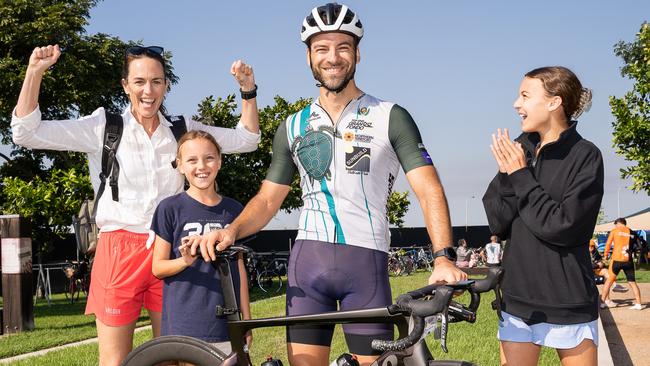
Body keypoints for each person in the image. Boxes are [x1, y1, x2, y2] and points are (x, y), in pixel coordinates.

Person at [191, 3, 466, 365]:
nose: (332, 57)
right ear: (308, 56)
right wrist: (233, 230)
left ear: (357, 53)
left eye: (342, 47)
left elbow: (428, 189)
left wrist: (443, 258)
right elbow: (268, 200)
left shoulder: (390, 116)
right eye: (322, 48)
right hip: (308, 267)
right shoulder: (292, 125)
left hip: (365, 265)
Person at [11, 44, 260, 366]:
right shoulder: (103, 126)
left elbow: (247, 139)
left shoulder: (182, 130)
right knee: (114, 360)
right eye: (139, 81)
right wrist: (35, 72)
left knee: (172, 356)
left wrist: (248, 91)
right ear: (125, 85)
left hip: (170, 250)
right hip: (118, 248)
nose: (148, 90)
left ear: (166, 85)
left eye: (157, 81)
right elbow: (25, 132)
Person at [483, 66, 603, 366]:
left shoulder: (585, 155)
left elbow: (565, 227)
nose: (516, 104)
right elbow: (498, 222)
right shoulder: (520, 150)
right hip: (517, 301)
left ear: (554, 102)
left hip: (569, 300)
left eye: (525, 95)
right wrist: (505, 174)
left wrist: (520, 175)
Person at [151, 130, 251, 355]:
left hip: (227, 324)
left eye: (209, 158)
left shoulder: (234, 211)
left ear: (219, 162)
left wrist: (246, 319)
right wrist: (185, 261)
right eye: (192, 160)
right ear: (180, 165)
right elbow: (157, 268)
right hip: (184, 325)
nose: (201, 166)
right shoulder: (169, 208)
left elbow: (240, 269)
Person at [600, 218, 643, 310]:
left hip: (616, 260)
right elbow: (639, 246)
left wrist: (605, 255)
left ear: (618, 223)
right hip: (628, 261)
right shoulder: (632, 232)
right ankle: (638, 304)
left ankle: (603, 303)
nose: (615, 226)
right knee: (632, 282)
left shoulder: (614, 231)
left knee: (609, 281)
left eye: (615, 224)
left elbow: (608, 244)